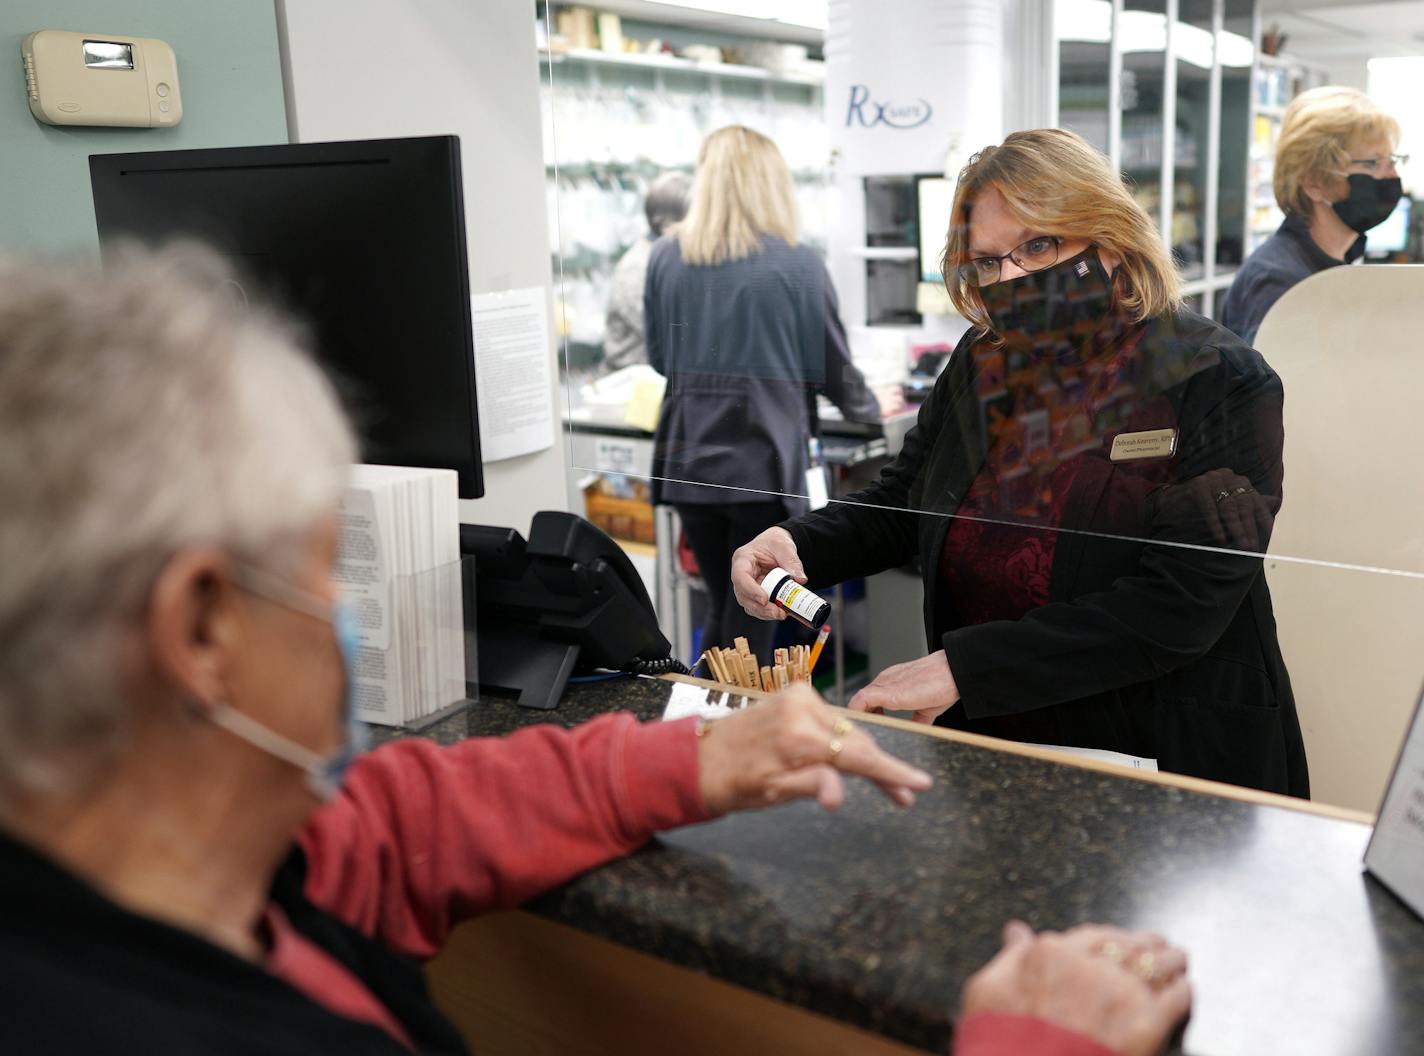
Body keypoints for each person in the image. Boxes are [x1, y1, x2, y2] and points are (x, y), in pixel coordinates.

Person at [0, 247, 1189, 1055]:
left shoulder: (188, 869)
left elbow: (381, 828)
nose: (337, 612)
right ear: (200, 630)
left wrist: (678, 766)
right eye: (322, 566)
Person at [732, 128, 1310, 796]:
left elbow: (1181, 604)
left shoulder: (1218, 377)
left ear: (1111, 238)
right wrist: (800, 542)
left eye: (1040, 245)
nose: (1012, 278)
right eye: (989, 261)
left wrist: (963, 670)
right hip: (1002, 736)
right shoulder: (986, 362)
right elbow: (907, 501)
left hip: (1161, 755)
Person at [646, 125, 901, 661]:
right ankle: (740, 734)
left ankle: (712, 728)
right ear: (772, 184)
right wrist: (870, 406)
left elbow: (660, 361)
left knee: (725, 602)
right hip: (760, 461)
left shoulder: (666, 257)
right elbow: (832, 368)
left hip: (688, 461)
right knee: (755, 615)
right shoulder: (797, 263)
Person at [1221, 86, 1404, 344]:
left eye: (1392, 161)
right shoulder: (1279, 281)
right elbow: (1287, 383)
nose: (1392, 177)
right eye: (1373, 164)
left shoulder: (1333, 262)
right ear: (1314, 183)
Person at [602, 169, 693, 373]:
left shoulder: (665, 257)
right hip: (634, 387)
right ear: (667, 223)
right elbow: (666, 332)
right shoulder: (638, 266)